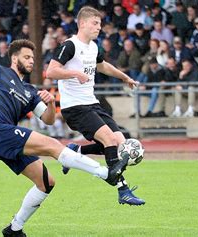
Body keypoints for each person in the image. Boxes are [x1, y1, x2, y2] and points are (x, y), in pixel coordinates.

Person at [0, 39, 128, 236]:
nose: (31, 61)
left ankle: (14, 229)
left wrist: (51, 103)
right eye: (26, 57)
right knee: (53, 145)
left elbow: (48, 120)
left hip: (8, 137)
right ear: (14, 58)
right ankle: (106, 174)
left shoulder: (30, 91)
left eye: (33, 58)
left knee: (46, 183)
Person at [46, 6, 144, 206]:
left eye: (100, 23)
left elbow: (103, 66)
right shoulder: (70, 45)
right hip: (75, 107)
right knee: (108, 139)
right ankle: (122, 189)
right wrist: (75, 73)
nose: (99, 27)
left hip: (92, 103)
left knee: (119, 143)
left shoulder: (93, 47)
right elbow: (51, 72)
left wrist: (125, 78)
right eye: (95, 23)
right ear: (82, 24)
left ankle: (76, 151)